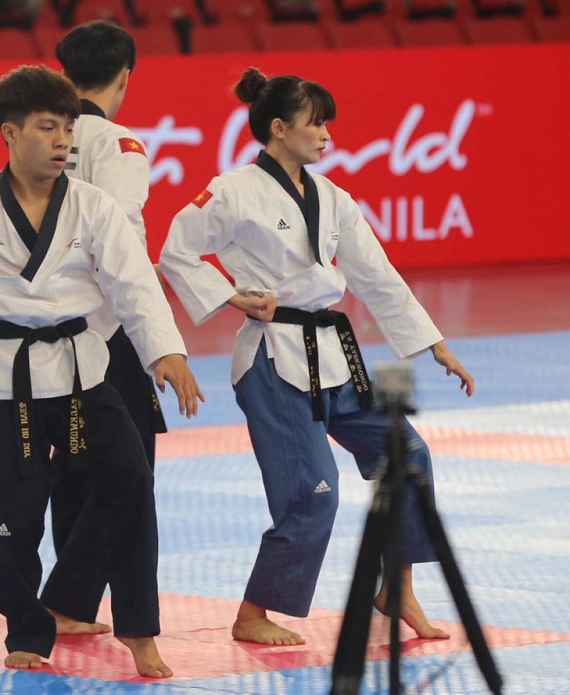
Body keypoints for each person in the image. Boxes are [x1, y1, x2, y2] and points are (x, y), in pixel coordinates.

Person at [0, 65, 204, 677]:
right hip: (1, 379)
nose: (64, 140)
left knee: (129, 482)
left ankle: (140, 629)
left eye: (68, 127)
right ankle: (26, 628)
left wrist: (165, 351)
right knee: (6, 515)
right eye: (48, 127)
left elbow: (133, 281)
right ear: (10, 134)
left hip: (83, 374)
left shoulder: (93, 206)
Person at [159, 67, 475, 647]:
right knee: (314, 490)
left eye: (327, 122)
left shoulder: (333, 197)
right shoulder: (231, 191)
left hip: (334, 355)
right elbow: (176, 250)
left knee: (406, 454)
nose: (326, 134)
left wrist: (436, 345)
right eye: (315, 123)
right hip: (272, 360)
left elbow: (376, 276)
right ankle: (254, 612)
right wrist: (231, 296)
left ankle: (397, 586)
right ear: (278, 128)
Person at [39, 19, 166, 637]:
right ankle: (67, 597)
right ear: (125, 76)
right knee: (129, 468)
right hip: (107, 328)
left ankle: (75, 604)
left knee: (75, 462)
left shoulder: (39, 139)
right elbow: (119, 243)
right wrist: (149, 338)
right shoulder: (120, 145)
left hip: (48, 324)